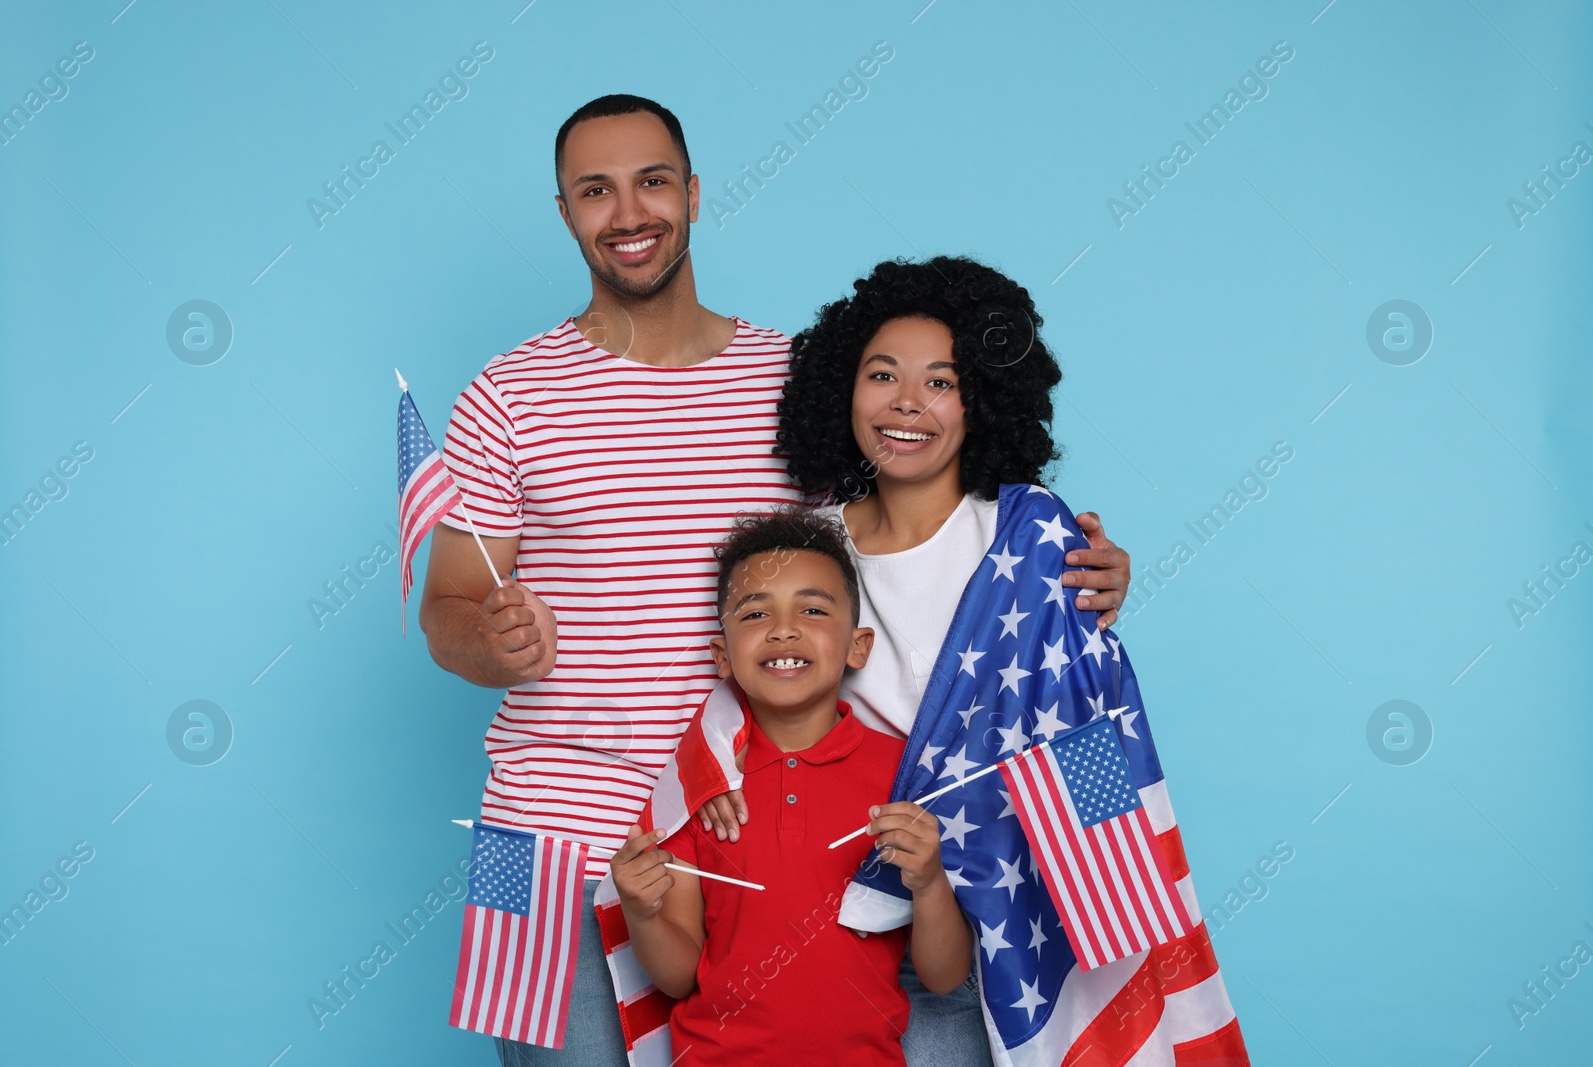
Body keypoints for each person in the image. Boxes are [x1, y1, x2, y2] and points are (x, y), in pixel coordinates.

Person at [417, 94, 1131, 1066]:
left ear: (695, 194)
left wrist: (1061, 577)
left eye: (652, 181)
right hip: (556, 838)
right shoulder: (503, 396)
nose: (629, 212)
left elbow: (915, 528)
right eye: (595, 190)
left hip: (790, 839)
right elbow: (445, 606)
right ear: (564, 211)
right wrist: (483, 636)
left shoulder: (794, 382)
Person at [692, 255, 1245, 1063]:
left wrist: (1104, 593)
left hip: (1020, 897)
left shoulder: (1029, 533)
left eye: (941, 382)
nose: (907, 403)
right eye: (882, 374)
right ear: (842, 388)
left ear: (982, 398)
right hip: (868, 913)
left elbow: (1090, 713)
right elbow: (745, 680)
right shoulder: (817, 551)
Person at [609, 508, 972, 1067]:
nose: (783, 629)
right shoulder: (697, 786)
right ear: (722, 655)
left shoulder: (906, 778)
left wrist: (928, 882)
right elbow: (680, 977)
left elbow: (944, 976)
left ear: (858, 646)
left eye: (812, 609)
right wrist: (641, 910)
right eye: (755, 613)